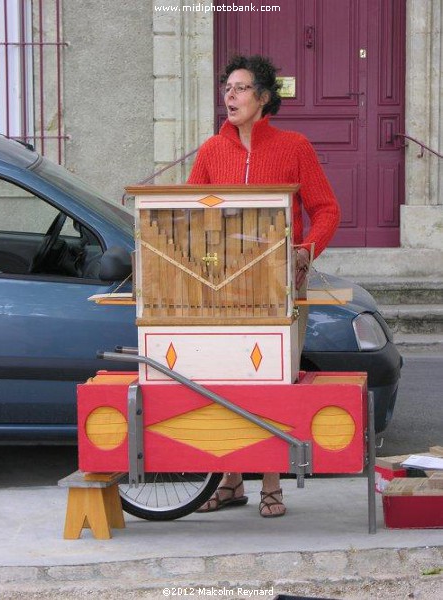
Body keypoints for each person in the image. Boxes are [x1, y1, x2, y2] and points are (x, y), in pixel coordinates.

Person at [188, 54, 340, 517]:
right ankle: (232, 480)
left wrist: (305, 250)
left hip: (279, 288)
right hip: (224, 290)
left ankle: (272, 481)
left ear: (264, 97)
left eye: (240, 88)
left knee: (271, 382)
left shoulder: (294, 146)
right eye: (226, 88)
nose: (229, 96)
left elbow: (327, 210)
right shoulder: (212, 151)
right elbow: (192, 216)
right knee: (226, 384)